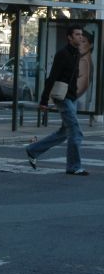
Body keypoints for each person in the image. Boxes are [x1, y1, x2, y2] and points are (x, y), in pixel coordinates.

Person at [26, 24, 89, 175]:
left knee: (65, 132)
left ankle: (33, 150)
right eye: (77, 34)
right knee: (76, 132)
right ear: (69, 37)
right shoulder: (63, 54)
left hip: (71, 97)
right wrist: (43, 100)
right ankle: (74, 167)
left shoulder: (76, 54)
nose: (80, 37)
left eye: (81, 34)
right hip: (63, 97)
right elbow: (52, 77)